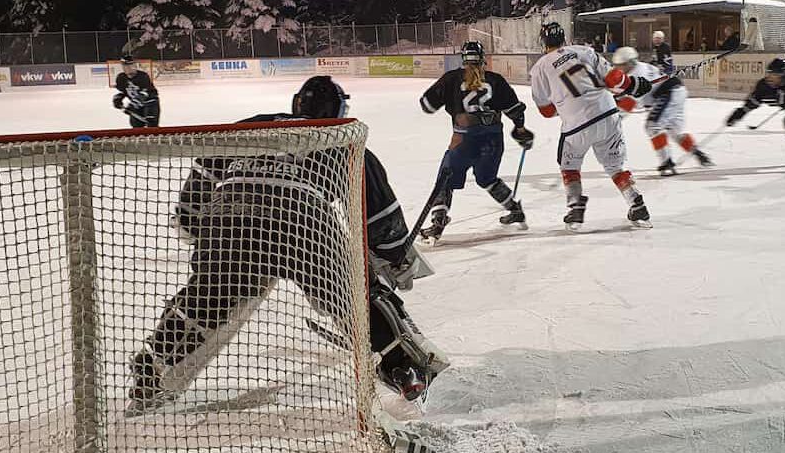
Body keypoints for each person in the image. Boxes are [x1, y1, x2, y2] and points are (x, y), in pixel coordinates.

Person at [129, 76, 449, 412]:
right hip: (304, 222)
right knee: (356, 294)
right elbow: (383, 226)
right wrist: (392, 263)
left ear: (296, 102)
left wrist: (210, 251)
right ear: (339, 110)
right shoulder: (343, 136)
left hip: (229, 217)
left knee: (205, 297)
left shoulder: (248, 128)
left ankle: (151, 370)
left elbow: (188, 211)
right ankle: (403, 367)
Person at [529, 22, 652, 229]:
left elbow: (546, 111)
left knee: (569, 165)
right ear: (563, 38)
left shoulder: (540, 67)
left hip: (576, 125)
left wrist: (565, 103)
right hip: (608, 114)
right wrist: (635, 85)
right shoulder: (584, 51)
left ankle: (576, 207)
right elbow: (615, 79)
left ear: (543, 42)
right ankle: (636, 204)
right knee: (615, 165)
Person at [418, 41, 534, 242]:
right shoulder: (495, 80)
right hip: (493, 141)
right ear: (483, 59)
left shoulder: (452, 79)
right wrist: (520, 130)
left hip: (463, 140)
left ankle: (438, 220)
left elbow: (427, 105)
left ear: (463, 58)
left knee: (446, 177)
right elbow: (515, 110)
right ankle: (515, 209)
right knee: (487, 178)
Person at [611, 46, 712, 176]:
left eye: (621, 65)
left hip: (669, 93)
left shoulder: (637, 74)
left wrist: (613, 119)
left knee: (653, 126)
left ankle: (667, 163)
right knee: (675, 131)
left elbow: (630, 104)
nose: (618, 69)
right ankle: (698, 153)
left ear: (630, 63)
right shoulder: (636, 69)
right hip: (673, 92)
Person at [113, 55, 161, 127]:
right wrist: (118, 98)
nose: (128, 67)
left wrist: (133, 104)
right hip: (136, 106)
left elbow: (144, 93)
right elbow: (123, 91)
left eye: (131, 65)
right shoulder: (121, 78)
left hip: (150, 103)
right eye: (125, 65)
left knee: (152, 126)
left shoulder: (143, 76)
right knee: (136, 128)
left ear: (135, 65)